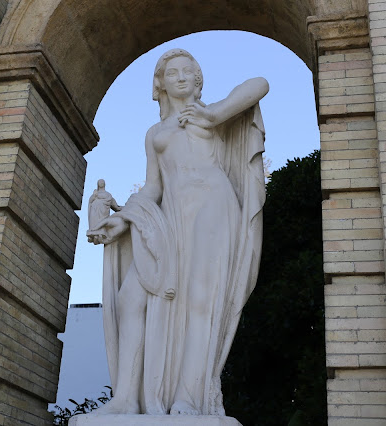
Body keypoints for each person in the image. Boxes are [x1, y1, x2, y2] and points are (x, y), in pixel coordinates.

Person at [90, 48, 268, 417]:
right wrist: (123, 220)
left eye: (190, 71)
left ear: (199, 80)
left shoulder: (214, 115)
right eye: (173, 72)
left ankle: (190, 396)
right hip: (169, 216)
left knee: (202, 300)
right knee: (131, 298)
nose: (182, 77)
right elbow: (153, 187)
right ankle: (125, 397)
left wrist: (214, 114)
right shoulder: (155, 133)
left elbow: (260, 84)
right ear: (161, 84)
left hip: (213, 208)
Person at [87, 179, 121, 243]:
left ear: (105, 184)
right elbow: (90, 202)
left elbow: (115, 206)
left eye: (102, 182)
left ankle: (100, 233)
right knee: (94, 220)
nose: (101, 183)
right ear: (98, 184)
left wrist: (126, 208)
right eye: (100, 182)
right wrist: (94, 197)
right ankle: (93, 233)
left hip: (103, 213)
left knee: (102, 223)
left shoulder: (108, 195)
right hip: (94, 211)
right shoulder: (95, 193)